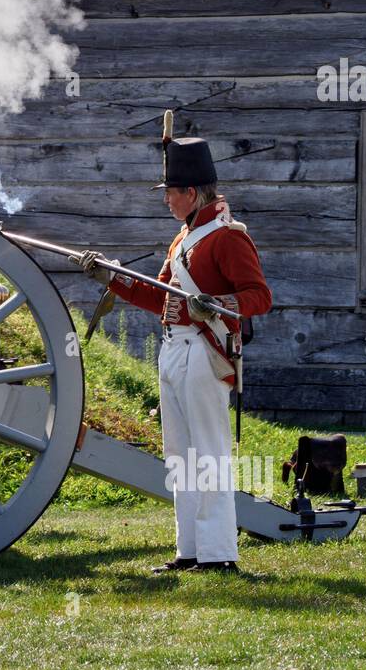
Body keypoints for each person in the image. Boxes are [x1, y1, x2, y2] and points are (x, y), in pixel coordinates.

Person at [79, 129, 271, 573]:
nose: (165, 200)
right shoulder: (185, 238)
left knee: (210, 453)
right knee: (181, 457)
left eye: (170, 193)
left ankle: (220, 553)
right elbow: (159, 298)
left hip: (205, 351)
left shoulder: (227, 236)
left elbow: (259, 297)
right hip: (173, 350)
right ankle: (190, 550)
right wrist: (111, 276)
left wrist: (220, 304)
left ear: (190, 192)